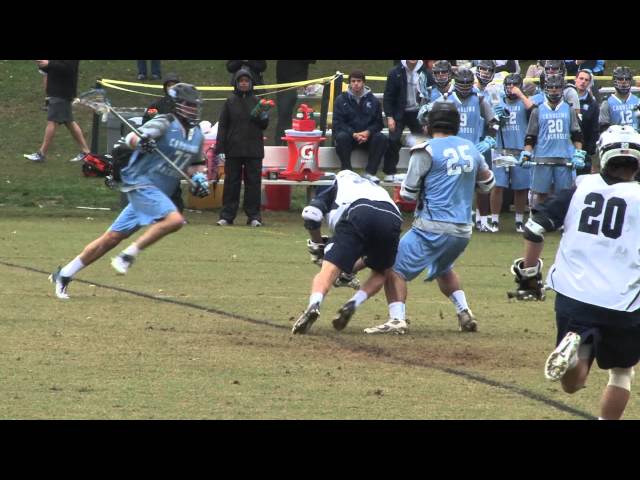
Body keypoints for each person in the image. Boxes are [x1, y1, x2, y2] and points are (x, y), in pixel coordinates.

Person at [512, 125, 640, 420]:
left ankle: (573, 353)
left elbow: (534, 228)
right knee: (621, 373)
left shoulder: (581, 186)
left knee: (574, 383)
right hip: (623, 300)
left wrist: (529, 276)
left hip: (573, 294)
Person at [49, 83, 209, 300]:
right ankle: (127, 256)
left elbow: (196, 163)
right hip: (141, 182)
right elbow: (132, 139)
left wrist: (199, 177)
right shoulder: (164, 122)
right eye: (188, 105)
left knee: (111, 238)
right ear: (176, 105)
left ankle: (64, 274)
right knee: (175, 221)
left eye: (194, 105)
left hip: (158, 192)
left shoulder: (196, 133)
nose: (193, 109)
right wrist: (142, 142)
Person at [364, 102, 495, 335]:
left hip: (432, 226)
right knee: (444, 268)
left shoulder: (426, 150)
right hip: (462, 230)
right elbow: (487, 185)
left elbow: (407, 194)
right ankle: (464, 311)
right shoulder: (471, 148)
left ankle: (396, 319)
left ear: (430, 123)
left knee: (392, 266)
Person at [291, 170, 403, 335]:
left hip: (358, 211)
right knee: (381, 271)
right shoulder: (373, 186)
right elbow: (370, 257)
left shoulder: (334, 183)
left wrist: (318, 244)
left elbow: (311, 215)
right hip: (392, 216)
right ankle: (353, 303)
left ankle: (314, 304)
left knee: (328, 270)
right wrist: (350, 269)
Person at [215, 68, 270, 227]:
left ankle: (254, 216)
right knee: (231, 183)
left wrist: (263, 115)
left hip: (254, 149)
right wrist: (220, 149)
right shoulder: (230, 102)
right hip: (233, 149)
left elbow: (264, 125)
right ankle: (227, 216)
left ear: (251, 83)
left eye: (247, 81)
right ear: (236, 83)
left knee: (253, 184)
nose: (244, 84)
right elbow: (223, 127)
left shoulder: (258, 101)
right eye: (241, 81)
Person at [446, 67, 498, 232]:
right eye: (463, 83)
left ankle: (482, 221)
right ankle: (456, 220)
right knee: (454, 187)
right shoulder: (447, 99)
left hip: (475, 148)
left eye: (469, 83)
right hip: (453, 150)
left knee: (481, 186)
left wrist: (489, 139)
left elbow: (494, 122)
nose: (465, 86)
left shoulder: (480, 99)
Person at [521, 73, 585, 207]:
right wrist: (526, 154)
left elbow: (577, 134)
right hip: (542, 157)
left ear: (562, 89)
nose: (554, 90)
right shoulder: (537, 110)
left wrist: (578, 153)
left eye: (557, 87)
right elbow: (530, 137)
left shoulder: (569, 109)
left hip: (564, 158)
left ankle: (562, 223)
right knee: (541, 193)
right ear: (546, 88)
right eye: (551, 87)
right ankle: (538, 220)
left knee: (563, 194)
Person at [489, 73, 535, 233]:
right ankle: (494, 220)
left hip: (520, 150)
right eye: (508, 86)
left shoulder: (525, 102)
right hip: (502, 149)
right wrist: (497, 119)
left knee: (521, 187)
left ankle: (519, 220)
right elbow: (491, 125)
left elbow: (534, 113)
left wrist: (521, 95)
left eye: (514, 86)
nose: (510, 89)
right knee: (498, 185)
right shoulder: (498, 101)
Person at [23, 60, 91, 163]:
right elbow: (51, 68)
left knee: (52, 121)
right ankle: (86, 152)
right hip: (56, 91)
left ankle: (41, 154)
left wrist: (49, 64)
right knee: (69, 122)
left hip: (62, 92)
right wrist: (42, 64)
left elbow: (68, 68)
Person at [332, 70, 388, 183]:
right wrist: (353, 133)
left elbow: (378, 123)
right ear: (349, 83)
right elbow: (338, 123)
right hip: (349, 137)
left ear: (364, 82)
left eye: (359, 81)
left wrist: (368, 132)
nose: (356, 84)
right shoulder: (341, 100)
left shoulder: (374, 101)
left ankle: (370, 173)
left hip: (367, 137)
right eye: (353, 81)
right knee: (341, 137)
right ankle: (347, 172)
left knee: (381, 138)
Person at [141, 73, 184, 211]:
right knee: (158, 182)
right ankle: (159, 212)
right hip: (159, 149)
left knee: (174, 183)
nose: (171, 88)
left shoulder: (184, 105)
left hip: (176, 148)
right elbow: (146, 124)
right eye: (169, 85)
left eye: (174, 85)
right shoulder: (157, 105)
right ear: (165, 87)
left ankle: (177, 212)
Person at [383, 60, 428, 182]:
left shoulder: (425, 72)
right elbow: (388, 96)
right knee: (393, 139)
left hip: (418, 113)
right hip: (399, 112)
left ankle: (421, 173)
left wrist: (426, 120)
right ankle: (390, 171)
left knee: (423, 142)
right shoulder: (395, 72)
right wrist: (389, 116)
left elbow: (429, 96)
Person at [274, 60, 316, 146]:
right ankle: (280, 145)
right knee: (283, 117)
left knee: (299, 117)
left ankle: (296, 144)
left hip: (298, 85)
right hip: (283, 85)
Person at [599, 66, 639, 133]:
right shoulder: (607, 103)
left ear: (630, 81)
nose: (624, 82)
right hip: (615, 140)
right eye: (620, 79)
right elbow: (603, 129)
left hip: (635, 140)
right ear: (615, 81)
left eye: (627, 79)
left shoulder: (637, 101)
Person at [574, 69, 600, 174]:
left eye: (586, 80)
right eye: (581, 78)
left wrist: (588, 153)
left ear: (589, 83)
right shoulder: (564, 100)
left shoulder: (593, 104)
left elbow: (595, 130)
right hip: (564, 150)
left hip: (584, 152)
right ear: (575, 80)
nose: (583, 82)